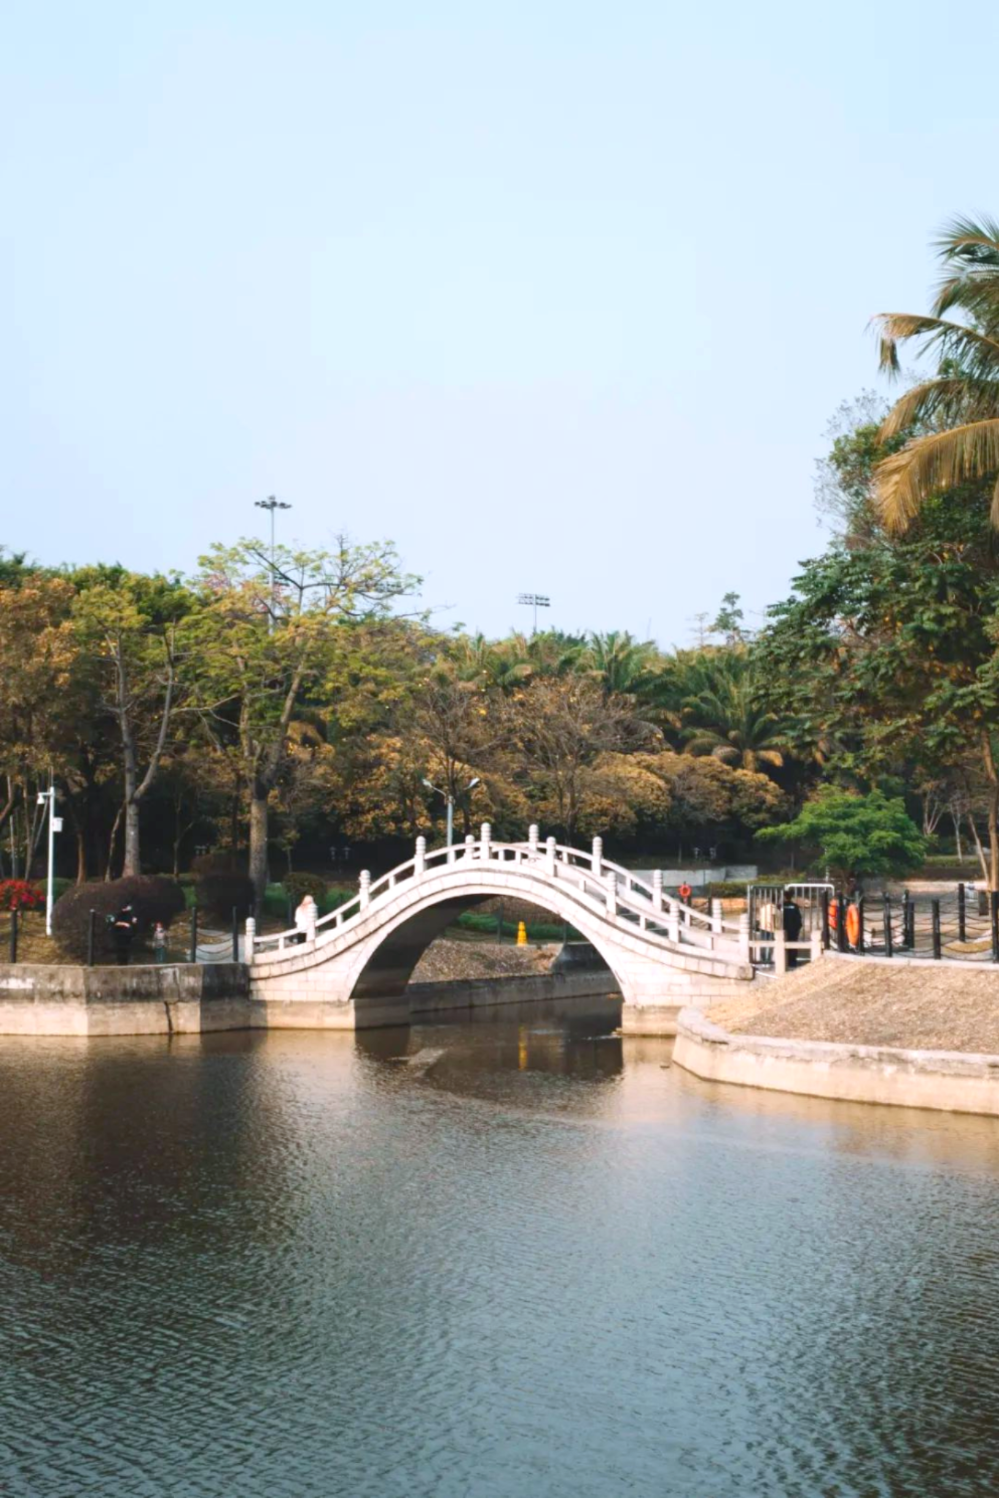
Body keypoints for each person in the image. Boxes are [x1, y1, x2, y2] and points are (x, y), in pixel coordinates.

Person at [782, 896, 803, 968]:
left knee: (783, 945)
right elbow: (798, 918)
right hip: (793, 929)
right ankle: (792, 961)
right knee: (793, 945)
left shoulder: (781, 906)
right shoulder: (794, 906)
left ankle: (785, 960)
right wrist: (798, 927)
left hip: (784, 929)